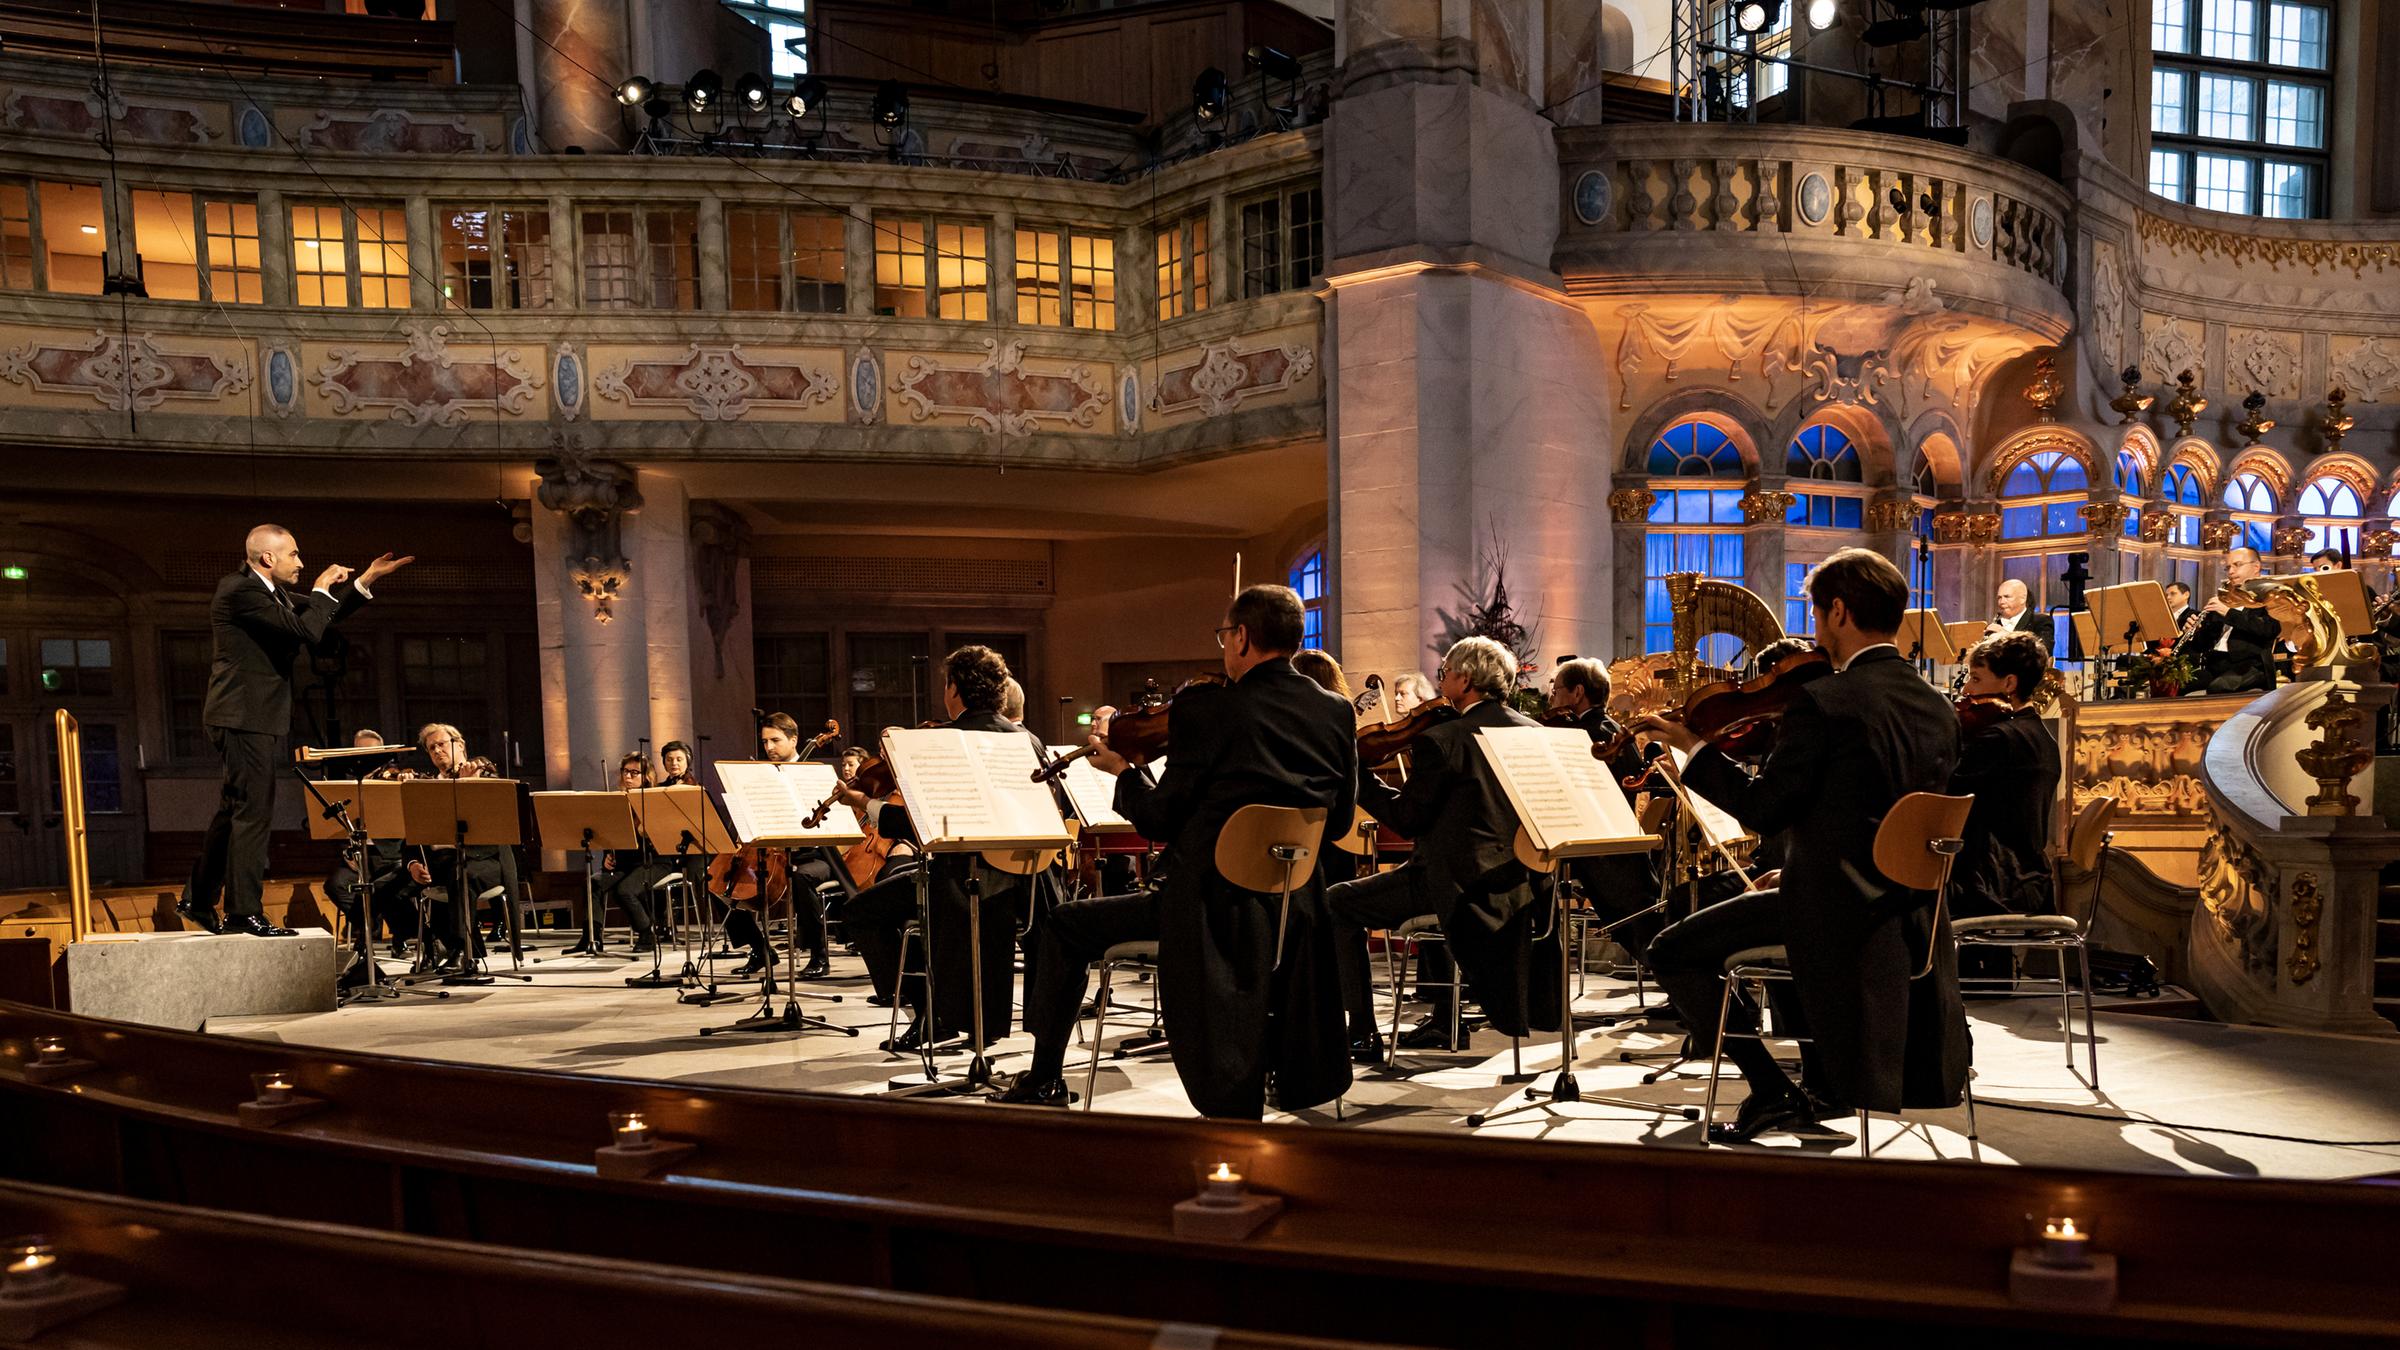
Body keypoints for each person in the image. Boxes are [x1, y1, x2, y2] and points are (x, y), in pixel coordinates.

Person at [1637, 548, 1969, 1145]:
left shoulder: (1825, 703)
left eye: (1817, 614)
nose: (1816, 629)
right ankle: (1817, 1080)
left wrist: (1693, 747)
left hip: (1835, 908)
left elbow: (1766, 808)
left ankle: (1770, 1090)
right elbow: (1873, 808)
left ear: (1838, 611)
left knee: (1672, 951)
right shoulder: (1938, 707)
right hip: (1911, 910)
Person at [998, 585, 1356, 1116]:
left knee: (1061, 925)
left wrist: (1123, 772)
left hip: (1211, 913)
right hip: (1296, 908)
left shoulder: (1208, 709)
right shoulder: (1334, 711)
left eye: (1224, 636)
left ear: (1242, 637)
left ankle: (1046, 1076)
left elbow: (1160, 817)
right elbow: (1342, 819)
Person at [179, 525, 411, 938]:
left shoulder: (274, 595)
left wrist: (365, 581)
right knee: (252, 812)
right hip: (241, 715)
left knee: (233, 810)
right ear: (268, 558)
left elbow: (323, 618)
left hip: (251, 717)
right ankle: (241, 913)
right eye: (295, 555)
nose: (302, 563)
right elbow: (305, 631)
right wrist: (322, 584)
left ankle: (197, 898)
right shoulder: (240, 590)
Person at [1325, 636, 1553, 1052]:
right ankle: (1446, 1018)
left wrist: (1359, 778)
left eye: (1444, 672)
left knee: (1337, 902)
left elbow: (1407, 820)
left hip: (1455, 885)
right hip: (1519, 886)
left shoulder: (1445, 740)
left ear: (1465, 680)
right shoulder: (1536, 733)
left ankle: (1361, 1031)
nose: (1441, 679)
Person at [841, 646, 1050, 1053]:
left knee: (860, 911)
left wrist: (864, 804)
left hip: (961, 882)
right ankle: (953, 1016)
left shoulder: (942, 740)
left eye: (946, 683)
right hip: (1026, 888)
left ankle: (929, 1013)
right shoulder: (1028, 740)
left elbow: (920, 824)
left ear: (954, 689)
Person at [1948, 632, 2061, 985]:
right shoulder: (2043, 737)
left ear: (2009, 683)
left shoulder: (1997, 739)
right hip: (2032, 881)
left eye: (1976, 678)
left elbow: (1947, 797)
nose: (1966, 690)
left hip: (1991, 886)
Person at [1545, 657, 1662, 960]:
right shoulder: (1614, 728)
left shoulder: (1583, 734)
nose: (1553, 698)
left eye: (1556, 690)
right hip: (1622, 842)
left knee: (1633, 924)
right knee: (1640, 922)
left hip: (1599, 848)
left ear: (1578, 692)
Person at [2189, 547, 2278, 695]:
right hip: (2216, 662)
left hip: (2251, 665)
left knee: (2218, 688)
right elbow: (2201, 645)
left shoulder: (2269, 595)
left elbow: (2269, 630)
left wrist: (2228, 612)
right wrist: (2198, 629)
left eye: (2237, 565)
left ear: (2256, 567)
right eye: (2228, 567)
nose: (2230, 571)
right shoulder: (2225, 596)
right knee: (2174, 683)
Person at [1982, 578, 2044, 645]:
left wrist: (2005, 635)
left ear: (2022, 599)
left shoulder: (2040, 622)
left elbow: (2043, 650)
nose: (2001, 602)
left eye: (2007, 597)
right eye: (1999, 598)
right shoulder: (1996, 624)